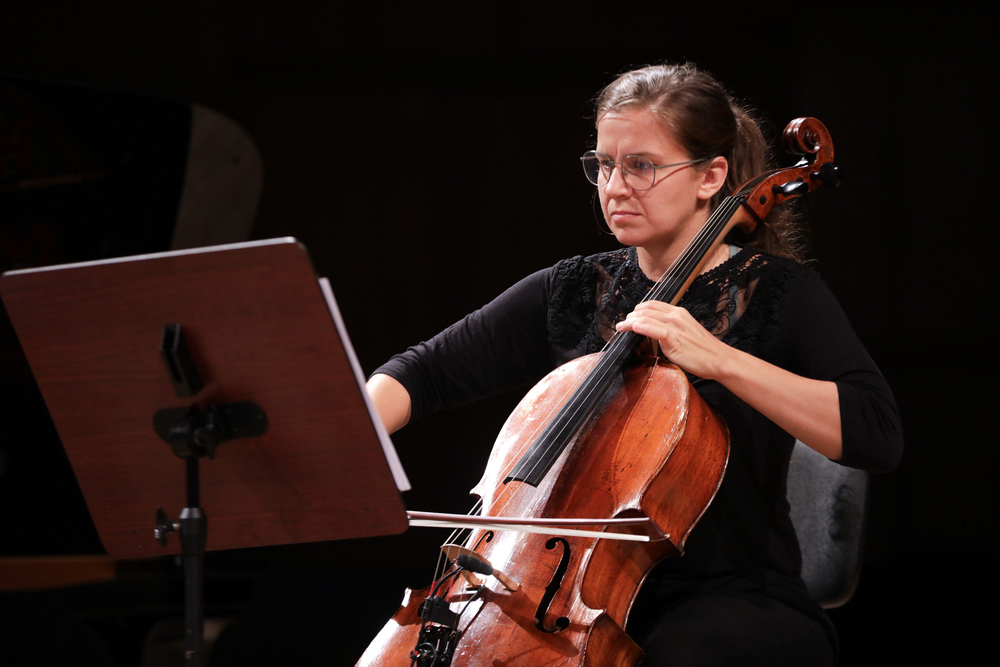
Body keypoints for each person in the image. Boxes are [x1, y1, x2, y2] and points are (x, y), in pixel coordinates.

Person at [365, 63, 903, 666]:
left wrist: (719, 359)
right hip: (559, 597)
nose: (615, 186)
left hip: (731, 601)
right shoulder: (572, 290)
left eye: (641, 166)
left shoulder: (777, 294)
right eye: (603, 165)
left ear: (710, 177)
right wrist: (347, 436)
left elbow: (875, 434)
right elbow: (421, 372)